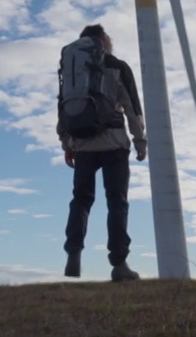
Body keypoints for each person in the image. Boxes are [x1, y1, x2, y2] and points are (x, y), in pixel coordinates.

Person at [56, 24, 147, 282]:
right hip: (114, 144)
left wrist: (67, 144)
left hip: (83, 144)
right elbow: (132, 107)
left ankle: (73, 253)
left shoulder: (73, 68)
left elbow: (63, 106)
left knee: (81, 200)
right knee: (116, 202)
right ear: (105, 41)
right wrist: (140, 141)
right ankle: (119, 263)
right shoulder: (118, 67)